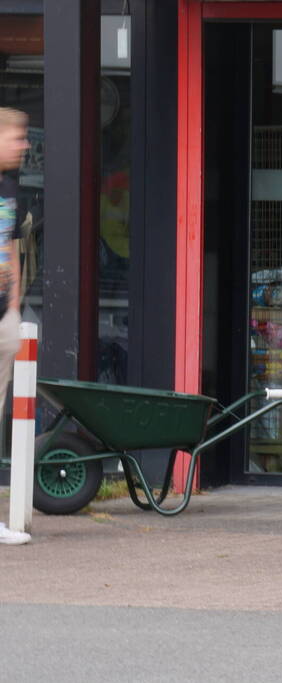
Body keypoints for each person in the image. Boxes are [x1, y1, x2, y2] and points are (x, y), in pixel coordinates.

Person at [0, 108, 29, 545]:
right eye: (15, 137)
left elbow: (11, 246)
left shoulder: (10, 190)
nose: (23, 145)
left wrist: (14, 306)